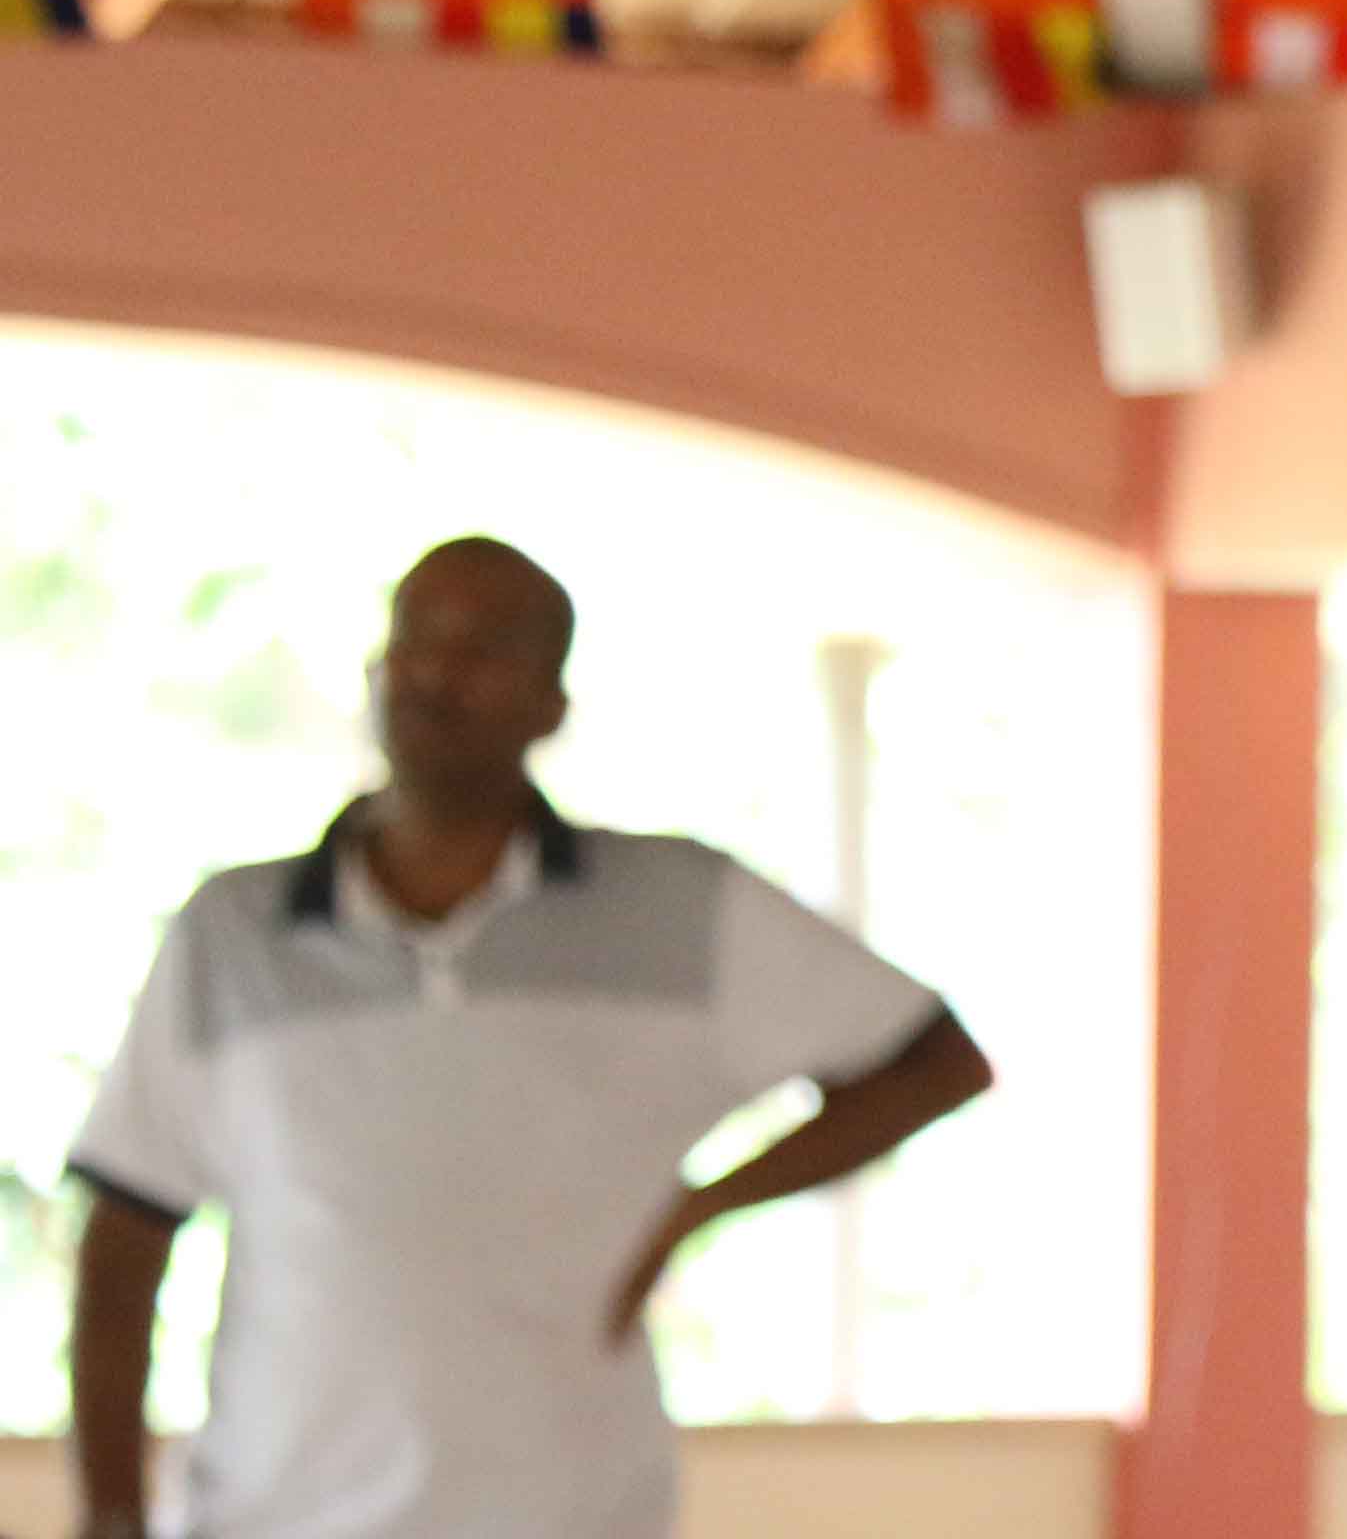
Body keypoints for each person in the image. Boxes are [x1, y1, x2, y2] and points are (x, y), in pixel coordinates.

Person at [62, 536, 997, 1539]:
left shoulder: (676, 907)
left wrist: (699, 1207)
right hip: (274, 1518)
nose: (435, 675)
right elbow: (124, 1240)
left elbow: (938, 1064)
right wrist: (111, 1520)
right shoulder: (232, 933)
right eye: (413, 641)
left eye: (483, 649)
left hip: (573, 1512)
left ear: (552, 704)